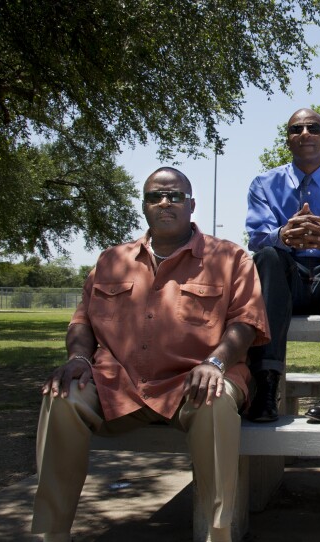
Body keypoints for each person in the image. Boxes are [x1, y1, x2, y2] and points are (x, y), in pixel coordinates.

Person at [32, 167, 269, 542]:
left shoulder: (230, 257)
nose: (165, 203)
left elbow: (246, 322)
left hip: (193, 382)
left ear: (191, 205)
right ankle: (50, 533)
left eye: (175, 196)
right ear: (144, 205)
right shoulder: (112, 259)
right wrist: (79, 359)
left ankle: (217, 533)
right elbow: (82, 323)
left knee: (216, 399)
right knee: (61, 396)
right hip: (116, 384)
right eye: (155, 196)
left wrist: (215, 363)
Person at [245, 108, 320, 423]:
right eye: (296, 129)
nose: (304, 133)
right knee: (267, 257)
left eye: (313, 128)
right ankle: (266, 386)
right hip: (288, 280)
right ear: (287, 141)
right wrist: (282, 235)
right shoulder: (264, 184)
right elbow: (258, 237)